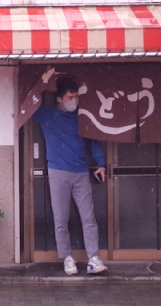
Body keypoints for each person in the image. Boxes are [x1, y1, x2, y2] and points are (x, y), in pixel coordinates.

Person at [32, 75, 108, 275]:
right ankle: (67, 258)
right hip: (58, 171)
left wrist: (100, 164)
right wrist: (42, 81)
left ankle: (94, 257)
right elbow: (27, 104)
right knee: (61, 218)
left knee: (88, 217)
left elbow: (93, 140)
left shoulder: (83, 116)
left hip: (82, 171)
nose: (74, 100)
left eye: (76, 97)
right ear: (59, 98)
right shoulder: (46, 114)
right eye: (70, 97)